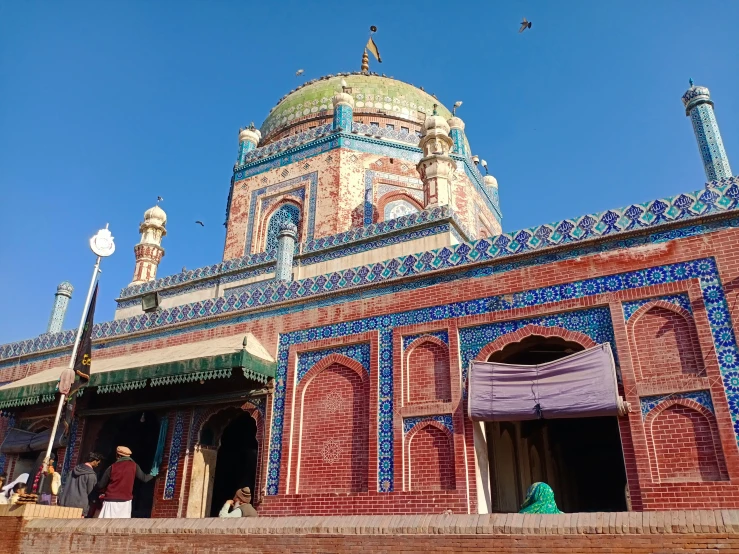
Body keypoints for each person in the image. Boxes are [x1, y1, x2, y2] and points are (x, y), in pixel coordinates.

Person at [97, 446, 157, 518]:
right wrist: (154, 474)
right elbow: (145, 478)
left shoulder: (112, 467)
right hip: (125, 502)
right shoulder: (134, 466)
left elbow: (101, 485)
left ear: (118, 455)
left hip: (110, 501)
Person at [59, 452, 103, 516]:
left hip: (66, 502)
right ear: (94, 461)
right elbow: (91, 492)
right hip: (80, 506)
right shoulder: (91, 475)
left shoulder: (72, 471)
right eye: (98, 462)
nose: (98, 465)